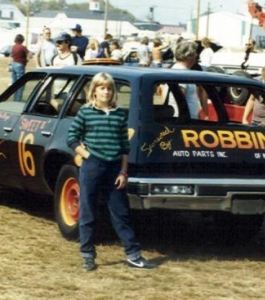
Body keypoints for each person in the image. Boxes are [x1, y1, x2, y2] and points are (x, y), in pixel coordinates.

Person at [67, 72, 153, 271]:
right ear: (94, 91)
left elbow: (124, 147)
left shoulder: (119, 114)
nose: (105, 92)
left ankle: (133, 254)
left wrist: (123, 172)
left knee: (121, 212)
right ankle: (88, 254)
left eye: (109, 88)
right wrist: (87, 155)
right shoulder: (85, 112)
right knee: (88, 211)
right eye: (101, 88)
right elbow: (72, 138)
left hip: (114, 169)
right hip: (92, 167)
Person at [171, 41, 208, 119]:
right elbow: (180, 100)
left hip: (185, 119)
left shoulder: (176, 69)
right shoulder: (182, 73)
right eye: (195, 53)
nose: (197, 55)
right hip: (185, 121)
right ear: (189, 55)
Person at [11, 34, 32, 101]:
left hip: (13, 64)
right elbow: (30, 55)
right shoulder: (23, 47)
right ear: (22, 40)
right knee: (20, 84)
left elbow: (11, 55)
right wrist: (27, 59)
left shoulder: (13, 47)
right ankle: (18, 100)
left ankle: (14, 100)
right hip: (20, 65)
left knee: (14, 83)